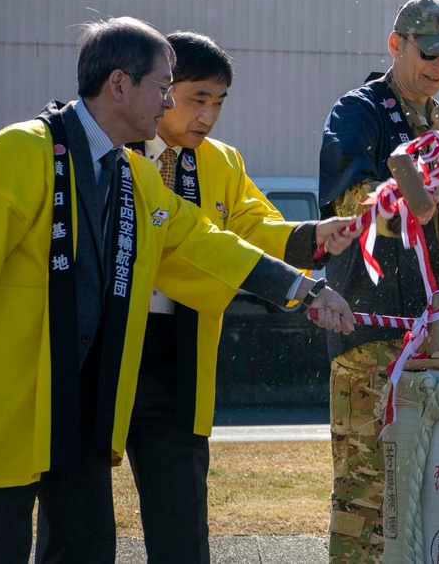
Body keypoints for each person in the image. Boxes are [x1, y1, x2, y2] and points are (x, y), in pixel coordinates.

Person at [0, 16, 353, 564]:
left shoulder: (134, 176)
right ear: (118, 85)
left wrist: (302, 287)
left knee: (86, 548)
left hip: (83, 406)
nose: (168, 106)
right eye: (164, 87)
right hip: (8, 402)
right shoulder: (21, 151)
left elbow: (202, 241)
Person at [123, 31, 360, 564]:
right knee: (81, 511)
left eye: (218, 103)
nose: (207, 116)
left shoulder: (221, 161)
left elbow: (252, 227)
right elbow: (197, 241)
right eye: (195, 99)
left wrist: (313, 236)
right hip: (110, 341)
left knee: (182, 515)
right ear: (159, 90)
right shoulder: (117, 151)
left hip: (181, 348)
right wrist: (298, 285)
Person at [319, 0, 439, 563]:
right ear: (396, 45)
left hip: (433, 345)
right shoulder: (358, 113)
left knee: (430, 492)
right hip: (371, 334)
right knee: (368, 492)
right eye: (428, 53)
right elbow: (345, 207)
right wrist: (398, 203)